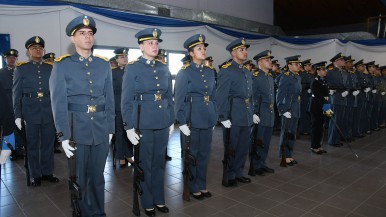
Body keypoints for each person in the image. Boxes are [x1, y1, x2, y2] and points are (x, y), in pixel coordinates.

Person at [50, 15, 115, 216]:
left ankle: (98, 212)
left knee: (98, 177)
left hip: (101, 128)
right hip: (76, 128)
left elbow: (110, 97)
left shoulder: (103, 64)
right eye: (82, 33)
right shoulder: (62, 65)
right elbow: (58, 102)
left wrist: (111, 128)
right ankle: (82, 212)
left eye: (90, 33)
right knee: (80, 177)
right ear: (73, 38)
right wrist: (63, 135)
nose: (87, 37)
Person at [121, 27, 174, 216]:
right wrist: (129, 126)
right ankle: (147, 201)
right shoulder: (133, 68)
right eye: (150, 43)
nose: (154, 45)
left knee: (159, 163)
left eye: (156, 42)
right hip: (143, 122)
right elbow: (126, 100)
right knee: (145, 164)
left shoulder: (163, 67)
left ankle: (159, 199)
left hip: (161, 121)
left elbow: (169, 97)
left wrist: (170, 121)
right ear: (141, 46)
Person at [174, 34, 217, 200]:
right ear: (191, 53)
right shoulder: (185, 72)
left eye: (204, 48)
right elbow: (179, 98)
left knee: (205, 153)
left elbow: (213, 96)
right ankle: (192, 186)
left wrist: (213, 116)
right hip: (192, 118)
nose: (203, 50)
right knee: (192, 154)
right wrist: (182, 121)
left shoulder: (210, 72)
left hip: (206, 117)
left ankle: (202, 184)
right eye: (199, 48)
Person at [13, 36, 59, 186]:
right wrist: (18, 115)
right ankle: (35, 174)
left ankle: (47, 172)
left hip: (48, 111)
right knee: (32, 145)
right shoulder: (21, 69)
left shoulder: (50, 68)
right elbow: (16, 94)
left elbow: (56, 92)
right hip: (30, 112)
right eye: (34, 48)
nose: (38, 50)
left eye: (40, 48)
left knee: (48, 144)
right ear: (28, 51)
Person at [216, 38, 253, 186]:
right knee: (231, 146)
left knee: (243, 146)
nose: (245, 52)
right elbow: (221, 95)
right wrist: (223, 116)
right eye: (241, 50)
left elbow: (251, 95)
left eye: (245, 50)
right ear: (233, 53)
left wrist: (253, 112)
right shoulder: (227, 70)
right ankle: (229, 174)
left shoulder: (246, 71)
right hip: (233, 113)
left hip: (246, 114)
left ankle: (238, 172)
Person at [250, 50, 275, 176]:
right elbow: (253, 96)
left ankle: (262, 163)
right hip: (260, 113)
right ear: (259, 62)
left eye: (270, 60)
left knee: (266, 141)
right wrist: (253, 113)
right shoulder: (255, 77)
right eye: (267, 60)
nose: (270, 62)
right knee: (258, 141)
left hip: (269, 113)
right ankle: (255, 165)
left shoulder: (269, 77)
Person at [276, 55, 302, 165]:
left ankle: (289, 154)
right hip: (288, 109)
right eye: (296, 64)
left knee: (292, 133)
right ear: (289, 65)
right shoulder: (285, 77)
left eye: (298, 64)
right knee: (286, 133)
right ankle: (284, 155)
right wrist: (282, 110)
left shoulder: (297, 77)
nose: (298, 66)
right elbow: (280, 95)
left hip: (295, 108)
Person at [0, 49, 24, 160]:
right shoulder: (1, 73)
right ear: (5, 59)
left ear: (16, 59)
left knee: (20, 128)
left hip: (19, 105)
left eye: (13, 58)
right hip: (6, 106)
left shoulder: (20, 71)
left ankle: (20, 149)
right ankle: (11, 150)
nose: (11, 59)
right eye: (9, 57)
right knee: (9, 129)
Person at [112, 47, 134, 167]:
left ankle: (129, 155)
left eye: (126, 56)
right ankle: (120, 156)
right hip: (118, 106)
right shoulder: (113, 72)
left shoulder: (132, 71)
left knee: (129, 131)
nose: (125, 59)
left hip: (130, 106)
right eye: (122, 57)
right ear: (117, 59)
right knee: (119, 132)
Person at [325, 53, 348, 147]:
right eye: (342, 60)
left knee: (341, 120)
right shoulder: (331, 72)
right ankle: (332, 140)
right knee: (335, 120)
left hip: (343, 97)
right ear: (337, 62)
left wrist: (347, 90)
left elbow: (347, 84)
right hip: (335, 98)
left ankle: (337, 139)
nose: (344, 62)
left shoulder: (344, 72)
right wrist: (339, 90)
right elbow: (329, 85)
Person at [155, 49, 173, 161]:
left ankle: (164, 153)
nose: (163, 59)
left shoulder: (166, 70)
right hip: (152, 109)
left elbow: (169, 93)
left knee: (164, 134)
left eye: (163, 57)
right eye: (160, 57)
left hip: (164, 107)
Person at [309, 61, 331, 154]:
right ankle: (314, 147)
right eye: (323, 69)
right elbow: (319, 97)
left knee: (321, 128)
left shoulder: (324, 81)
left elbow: (326, 96)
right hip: (316, 108)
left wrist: (327, 107)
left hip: (323, 106)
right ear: (318, 71)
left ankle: (319, 145)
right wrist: (327, 109)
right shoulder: (315, 82)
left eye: (325, 69)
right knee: (316, 128)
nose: (325, 71)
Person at [298, 59, 313, 135]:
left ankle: (306, 128)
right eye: (309, 65)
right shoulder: (301, 74)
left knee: (307, 113)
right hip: (303, 96)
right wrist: (307, 87)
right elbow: (300, 85)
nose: (310, 66)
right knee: (303, 113)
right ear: (305, 66)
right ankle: (302, 129)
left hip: (308, 96)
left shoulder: (308, 74)